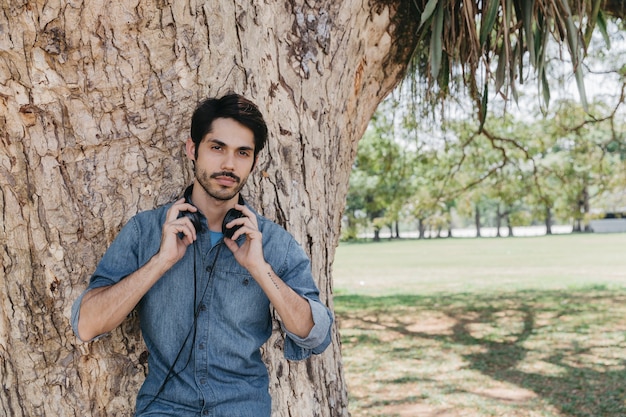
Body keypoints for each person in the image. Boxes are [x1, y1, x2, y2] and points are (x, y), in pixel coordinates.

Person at [71, 93, 333, 416]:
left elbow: (317, 335)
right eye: (217, 147)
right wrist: (160, 262)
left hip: (242, 408)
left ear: (253, 161)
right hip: (164, 408)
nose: (229, 164)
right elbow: (86, 324)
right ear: (192, 150)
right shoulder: (146, 231)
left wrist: (260, 268)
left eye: (242, 153)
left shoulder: (273, 243)